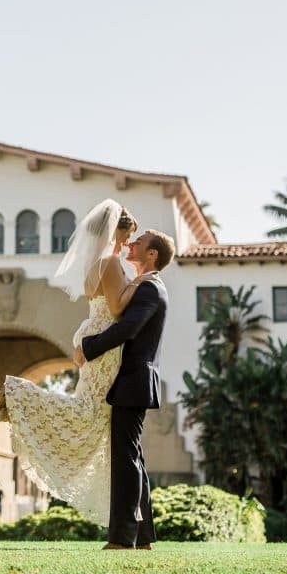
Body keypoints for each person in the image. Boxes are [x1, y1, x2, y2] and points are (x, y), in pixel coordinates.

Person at [0, 200, 157, 529]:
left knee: (92, 415)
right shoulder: (109, 263)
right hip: (104, 344)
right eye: (125, 236)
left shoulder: (97, 262)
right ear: (114, 231)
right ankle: (19, 394)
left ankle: (134, 522)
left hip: (95, 335)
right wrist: (140, 281)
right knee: (88, 414)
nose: (125, 244)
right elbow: (118, 309)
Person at [76, 227, 173, 550]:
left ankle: (122, 537)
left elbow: (128, 329)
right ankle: (143, 537)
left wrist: (88, 347)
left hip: (134, 380)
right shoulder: (142, 286)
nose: (132, 244)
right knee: (133, 457)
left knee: (125, 458)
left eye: (140, 242)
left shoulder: (150, 289)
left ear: (152, 254)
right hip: (130, 381)